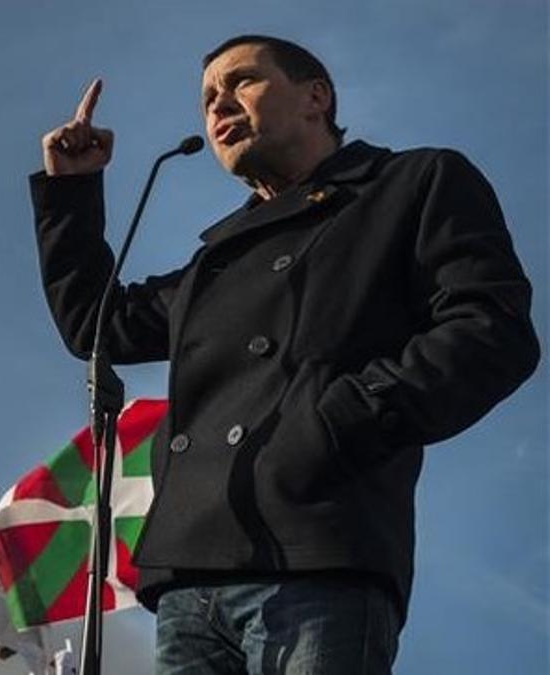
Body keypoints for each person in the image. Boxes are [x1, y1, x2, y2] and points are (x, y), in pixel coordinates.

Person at [29, 35, 539, 674]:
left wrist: (339, 421)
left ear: (315, 97)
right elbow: (98, 327)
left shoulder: (413, 182)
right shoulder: (219, 258)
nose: (219, 106)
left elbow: (491, 330)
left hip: (319, 552)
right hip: (191, 576)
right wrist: (73, 195)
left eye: (241, 82)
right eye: (208, 98)